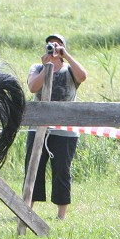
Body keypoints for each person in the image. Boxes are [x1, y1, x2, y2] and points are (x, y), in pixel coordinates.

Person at [24, 33, 88, 220]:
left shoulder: (70, 70)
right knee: (33, 168)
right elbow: (32, 87)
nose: (53, 48)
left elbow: (83, 76)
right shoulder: (37, 67)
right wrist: (46, 67)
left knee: (62, 170)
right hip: (38, 128)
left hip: (65, 131)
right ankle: (28, 209)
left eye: (58, 45)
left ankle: (61, 215)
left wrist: (65, 55)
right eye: (50, 45)